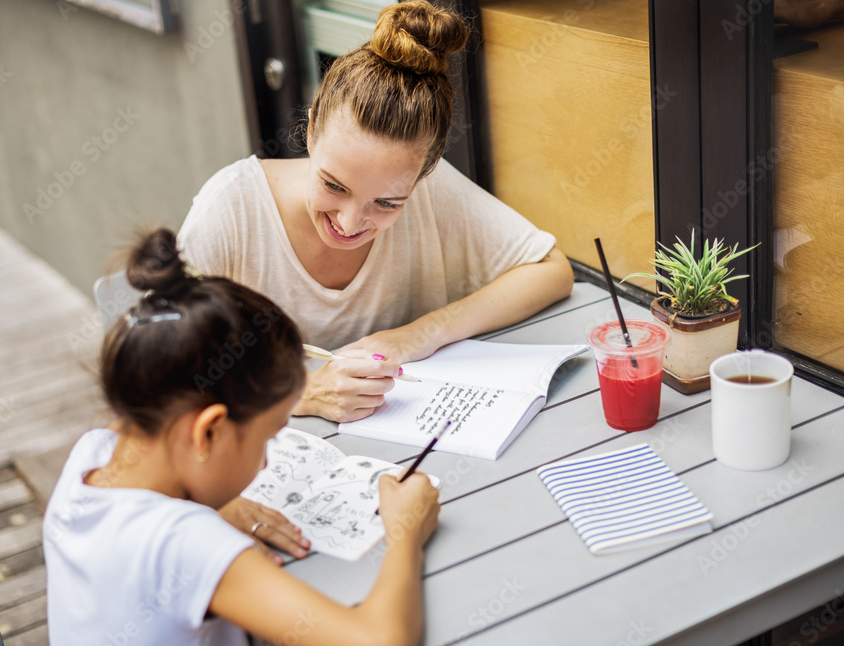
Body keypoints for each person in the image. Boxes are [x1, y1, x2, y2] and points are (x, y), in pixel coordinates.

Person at [43, 228, 441, 646]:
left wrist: (213, 506)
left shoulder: (93, 453)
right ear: (207, 432)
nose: (268, 459)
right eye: (268, 435)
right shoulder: (186, 543)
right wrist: (406, 532)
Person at [178, 0, 575, 424]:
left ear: (425, 173)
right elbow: (156, 371)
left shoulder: (432, 190)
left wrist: (421, 333)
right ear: (311, 129)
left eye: (387, 203)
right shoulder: (233, 209)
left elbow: (551, 269)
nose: (349, 224)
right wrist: (303, 394)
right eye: (334, 185)